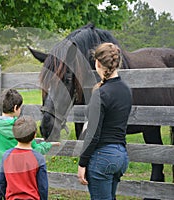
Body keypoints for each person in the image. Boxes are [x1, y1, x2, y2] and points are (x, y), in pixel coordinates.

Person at [0, 88, 60, 200]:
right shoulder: (22, 129)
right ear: (15, 108)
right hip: (17, 180)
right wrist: (48, 145)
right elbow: (34, 151)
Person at [77, 42, 132, 200]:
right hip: (121, 156)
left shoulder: (101, 94)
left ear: (98, 63)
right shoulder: (126, 90)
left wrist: (82, 163)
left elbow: (93, 134)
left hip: (103, 157)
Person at [0, 116, 49, 200]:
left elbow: (1, 181)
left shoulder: (6, 155)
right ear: (34, 135)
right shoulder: (38, 158)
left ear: (14, 134)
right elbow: (43, 186)